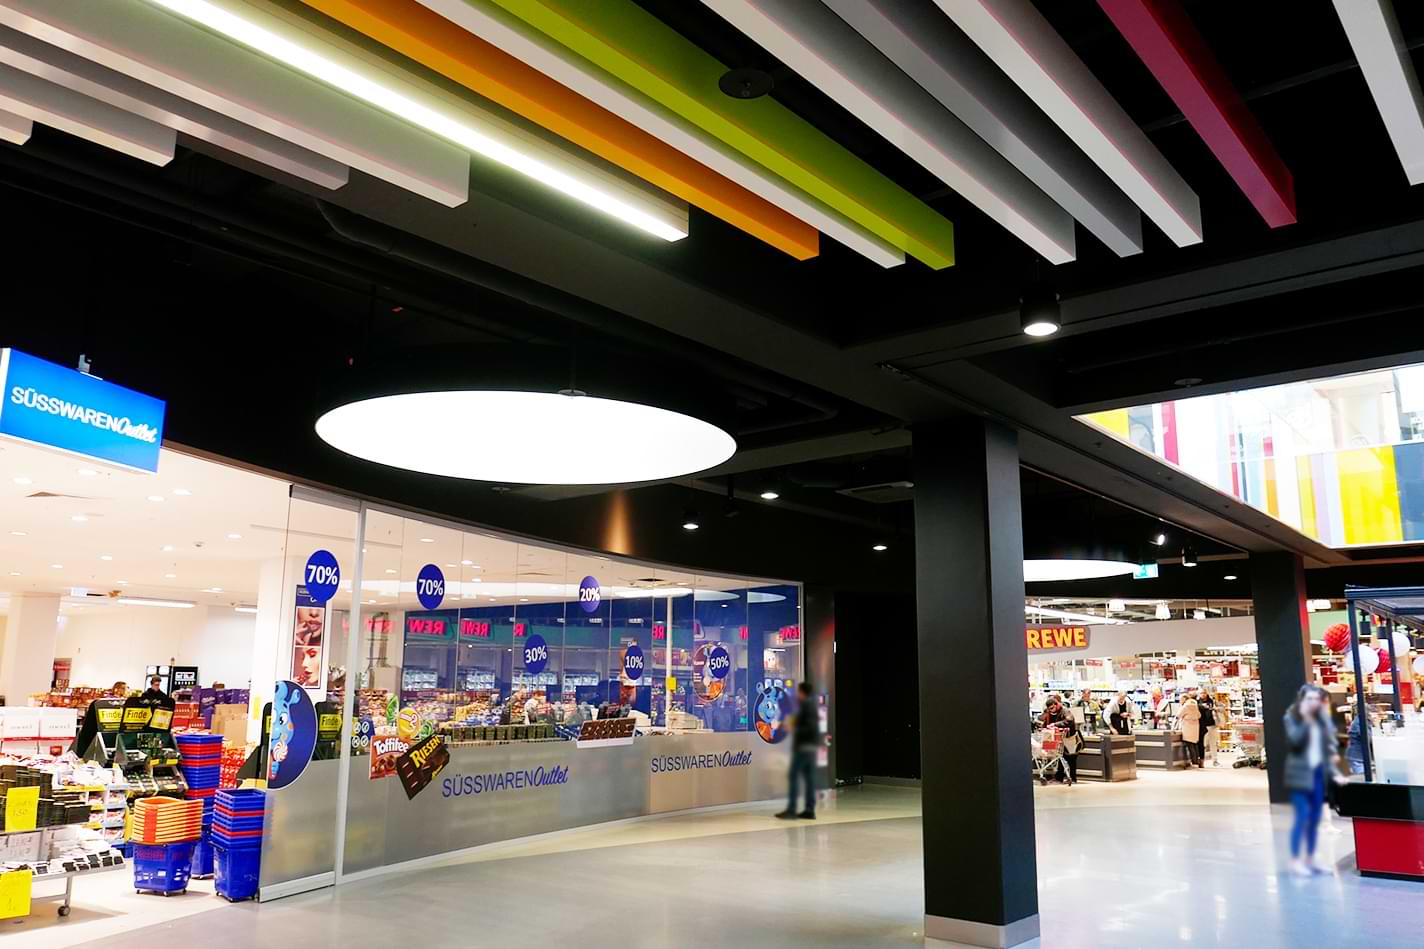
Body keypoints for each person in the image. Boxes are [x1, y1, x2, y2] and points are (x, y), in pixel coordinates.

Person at [1283, 685, 1342, 876]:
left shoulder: (1321, 718)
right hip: (1300, 774)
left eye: (1316, 699)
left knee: (1315, 818)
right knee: (1301, 817)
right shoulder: (1291, 717)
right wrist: (1306, 721)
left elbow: (1328, 742)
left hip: (1318, 773)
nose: (1314, 702)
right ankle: (1295, 860)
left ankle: (1310, 858)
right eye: (1310, 699)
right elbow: (1295, 741)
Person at [776, 682, 818, 820]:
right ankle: (809, 810)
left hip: (803, 748)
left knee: (793, 776)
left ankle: (792, 810)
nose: (797, 695)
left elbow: (808, 728)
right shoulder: (810, 705)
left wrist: (793, 728)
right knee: (809, 779)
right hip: (810, 748)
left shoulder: (806, 706)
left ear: (802, 693)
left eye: (798, 692)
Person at [1041, 695, 1082, 785]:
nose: (1051, 710)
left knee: (1071, 758)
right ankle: (1059, 777)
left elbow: (1069, 721)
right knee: (1060, 757)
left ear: (1056, 705)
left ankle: (1073, 778)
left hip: (1069, 738)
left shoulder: (1065, 711)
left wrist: (1055, 724)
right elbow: (1044, 721)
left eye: (1052, 708)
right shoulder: (1049, 713)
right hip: (1059, 739)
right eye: (1049, 709)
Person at [1178, 691, 1202, 767]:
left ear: (1184, 699)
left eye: (1181, 699)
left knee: (1189, 745)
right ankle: (1197, 761)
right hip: (1195, 727)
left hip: (1187, 727)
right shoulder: (1195, 705)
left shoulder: (1185, 706)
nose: (1180, 701)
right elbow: (1199, 715)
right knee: (1194, 744)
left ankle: (1194, 762)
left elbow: (1178, 715)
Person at [1197, 689, 1219, 767]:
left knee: (1213, 743)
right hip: (1202, 726)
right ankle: (1202, 761)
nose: (1203, 694)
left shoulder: (1212, 701)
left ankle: (1215, 760)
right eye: (1201, 693)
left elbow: (1221, 708)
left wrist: (1216, 709)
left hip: (1212, 724)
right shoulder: (1197, 702)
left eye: (1204, 693)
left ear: (1207, 693)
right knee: (1203, 744)